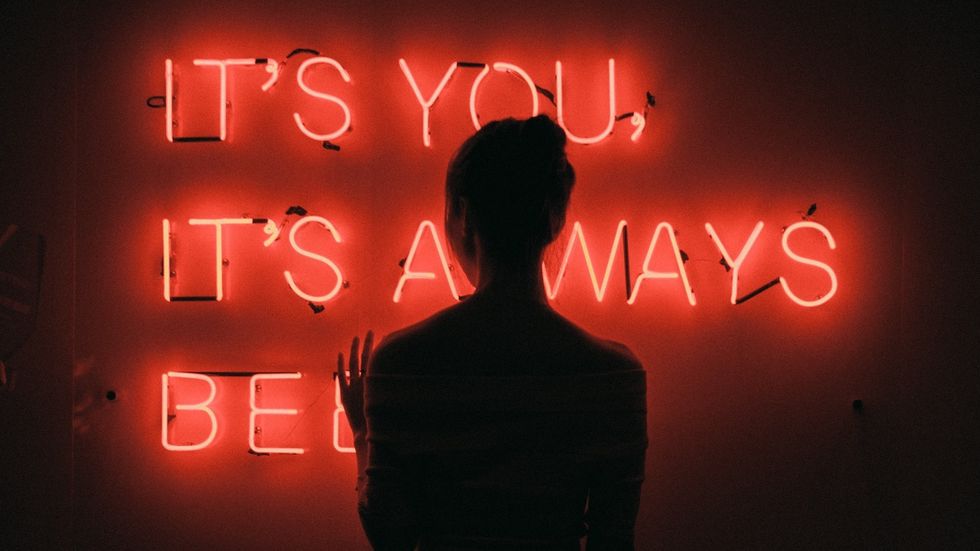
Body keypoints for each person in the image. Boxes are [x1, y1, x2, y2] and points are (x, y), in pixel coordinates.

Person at [338, 115, 647, 550]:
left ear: (464, 215)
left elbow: (391, 537)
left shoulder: (401, 362)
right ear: (556, 220)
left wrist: (363, 436)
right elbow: (612, 541)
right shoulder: (615, 374)